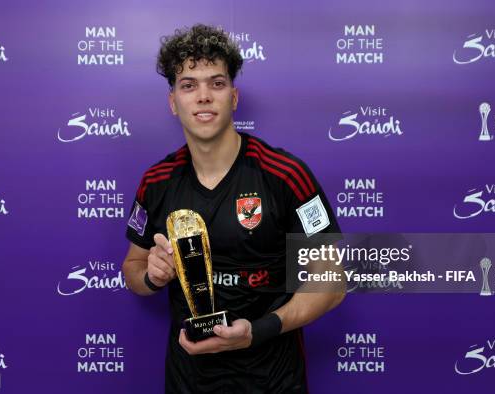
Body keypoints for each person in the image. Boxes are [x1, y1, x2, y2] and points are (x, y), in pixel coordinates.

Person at [122, 24, 345, 393]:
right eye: (189, 85)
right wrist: (152, 276)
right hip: (188, 382)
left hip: (272, 381)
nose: (204, 96)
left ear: (234, 97)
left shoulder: (285, 175)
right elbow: (133, 267)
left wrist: (257, 331)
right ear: (174, 102)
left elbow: (333, 282)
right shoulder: (156, 181)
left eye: (217, 83)